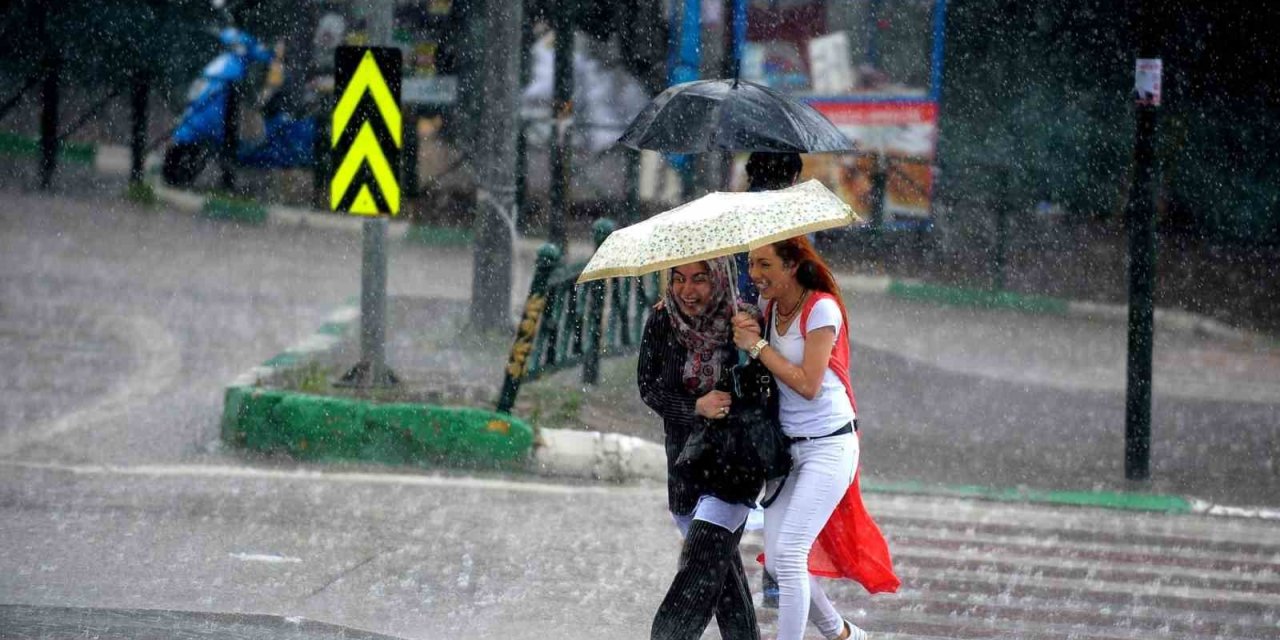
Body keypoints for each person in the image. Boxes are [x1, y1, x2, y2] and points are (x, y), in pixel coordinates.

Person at [731, 236, 899, 640]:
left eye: (765, 265)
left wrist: (756, 345)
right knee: (777, 560)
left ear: (792, 265)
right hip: (787, 451)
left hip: (829, 445)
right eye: (752, 264)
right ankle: (843, 634)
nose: (755, 274)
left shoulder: (821, 307)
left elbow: (808, 383)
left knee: (788, 556)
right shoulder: (770, 309)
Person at [638, 257, 763, 640]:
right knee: (724, 582)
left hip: (734, 464)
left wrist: (752, 345)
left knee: (699, 567)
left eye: (699, 280)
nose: (687, 291)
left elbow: (764, 390)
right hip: (685, 465)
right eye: (679, 279)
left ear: (720, 279)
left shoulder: (744, 321)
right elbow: (649, 387)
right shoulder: (662, 319)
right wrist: (696, 407)